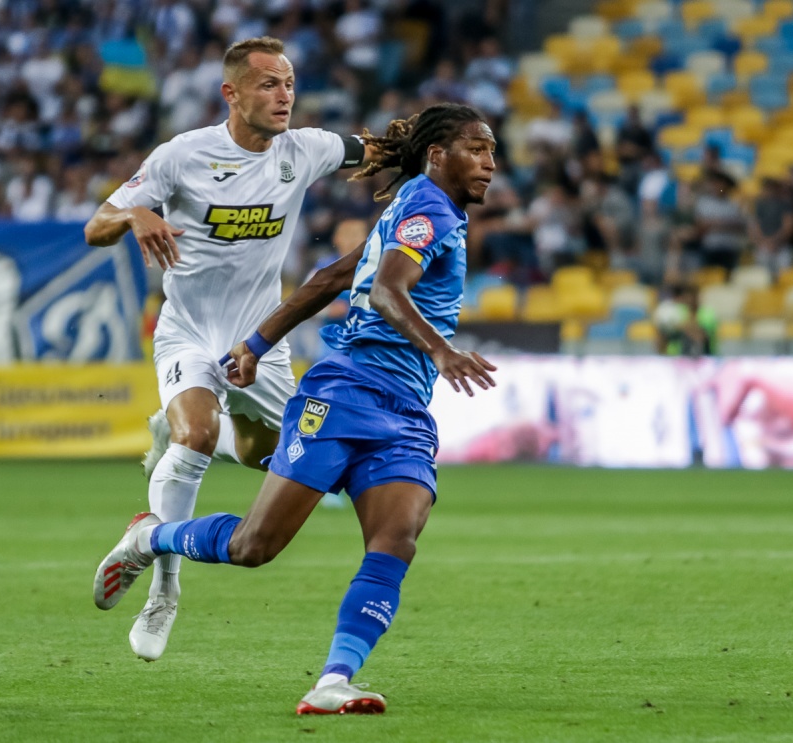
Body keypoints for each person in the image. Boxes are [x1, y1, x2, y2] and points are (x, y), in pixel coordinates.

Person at [92, 103, 498, 714]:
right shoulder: (429, 209)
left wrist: (256, 344)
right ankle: (152, 536)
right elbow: (386, 290)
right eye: (477, 149)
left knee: (396, 541)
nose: (490, 163)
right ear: (438, 156)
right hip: (349, 392)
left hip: (406, 411)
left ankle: (333, 681)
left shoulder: (418, 206)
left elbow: (334, 277)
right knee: (254, 546)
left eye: (492, 151)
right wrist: (442, 352)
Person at [83, 36, 376, 663]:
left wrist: (434, 145)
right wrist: (135, 216)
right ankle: (163, 589)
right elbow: (95, 226)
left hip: (260, 343)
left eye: (289, 83)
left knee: (274, 459)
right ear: (232, 93)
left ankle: (184, 439)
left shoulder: (306, 150)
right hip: (188, 331)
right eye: (268, 84)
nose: (284, 95)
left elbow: (374, 149)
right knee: (194, 435)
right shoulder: (182, 155)